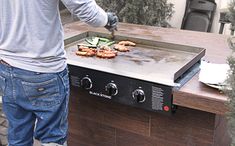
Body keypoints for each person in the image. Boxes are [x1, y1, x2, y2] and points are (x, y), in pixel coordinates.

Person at [0, 0, 118, 146]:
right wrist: (106, 19)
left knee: (18, 138)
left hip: (7, 67)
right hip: (44, 69)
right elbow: (84, 8)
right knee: (52, 139)